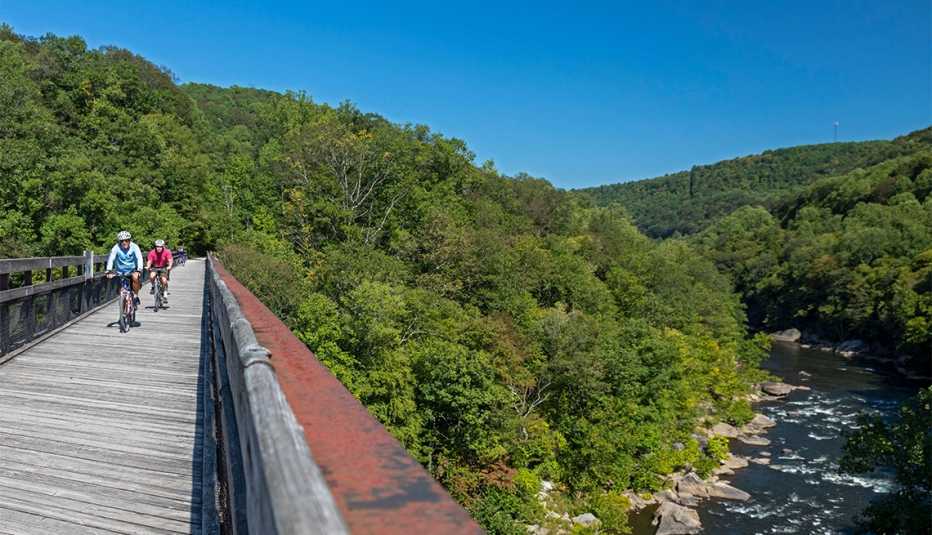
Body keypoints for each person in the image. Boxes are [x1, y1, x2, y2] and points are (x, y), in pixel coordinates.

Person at [105, 230, 144, 325]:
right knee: (121, 292)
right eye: (122, 241)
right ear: (119, 242)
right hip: (120, 272)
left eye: (126, 240)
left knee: (135, 278)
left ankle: (135, 296)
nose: (124, 242)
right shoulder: (116, 248)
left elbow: (139, 258)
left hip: (133, 270)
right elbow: (111, 258)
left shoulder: (135, 247)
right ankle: (122, 314)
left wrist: (139, 270)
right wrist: (109, 270)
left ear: (129, 240)